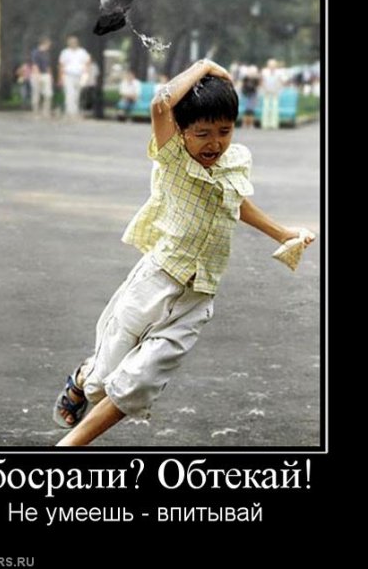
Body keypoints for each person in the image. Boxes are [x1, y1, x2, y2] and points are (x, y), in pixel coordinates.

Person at [52, 59, 315, 447]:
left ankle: (69, 446)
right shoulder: (172, 156)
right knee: (102, 381)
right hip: (155, 282)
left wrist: (282, 233)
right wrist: (204, 66)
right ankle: (82, 379)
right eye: (202, 133)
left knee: (138, 383)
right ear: (181, 131)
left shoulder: (232, 163)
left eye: (224, 131)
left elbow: (235, 204)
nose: (214, 143)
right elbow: (160, 104)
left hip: (197, 297)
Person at [58, 36, 90, 119]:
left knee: (77, 95)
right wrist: (60, 78)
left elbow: (87, 62)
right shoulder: (65, 52)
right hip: (68, 75)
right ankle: (70, 112)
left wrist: (86, 75)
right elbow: (61, 65)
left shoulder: (82, 52)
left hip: (79, 75)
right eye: (71, 42)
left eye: (74, 42)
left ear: (77, 43)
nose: (73, 44)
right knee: (69, 94)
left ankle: (75, 112)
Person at [30, 36, 53, 118]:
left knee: (48, 94)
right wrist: (38, 76)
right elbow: (35, 65)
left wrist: (50, 75)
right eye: (48, 44)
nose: (49, 46)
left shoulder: (46, 53)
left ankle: (46, 112)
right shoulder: (35, 52)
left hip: (46, 75)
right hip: (37, 75)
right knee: (36, 94)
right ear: (44, 43)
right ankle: (36, 112)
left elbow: (48, 66)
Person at [261, 58, 282, 129]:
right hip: (266, 93)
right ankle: (265, 124)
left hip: (275, 93)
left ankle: (274, 124)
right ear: (268, 65)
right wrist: (266, 89)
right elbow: (262, 82)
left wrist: (276, 90)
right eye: (270, 65)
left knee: (275, 109)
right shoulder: (264, 72)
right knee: (266, 108)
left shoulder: (278, 73)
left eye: (273, 65)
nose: (272, 66)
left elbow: (279, 82)